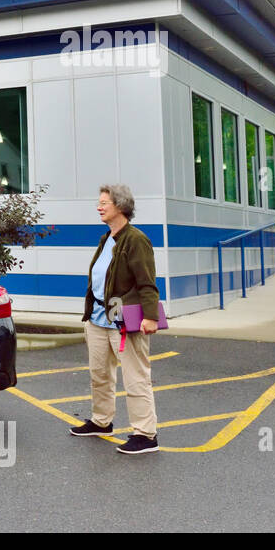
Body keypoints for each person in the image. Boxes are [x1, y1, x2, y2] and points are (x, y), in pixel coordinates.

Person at [69, 184, 161, 455]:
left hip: (124, 320)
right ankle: (101, 421)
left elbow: (147, 283)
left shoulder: (136, 240)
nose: (99, 207)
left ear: (120, 206)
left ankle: (145, 434)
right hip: (98, 318)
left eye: (104, 203)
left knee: (136, 378)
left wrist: (151, 317)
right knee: (99, 374)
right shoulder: (107, 237)